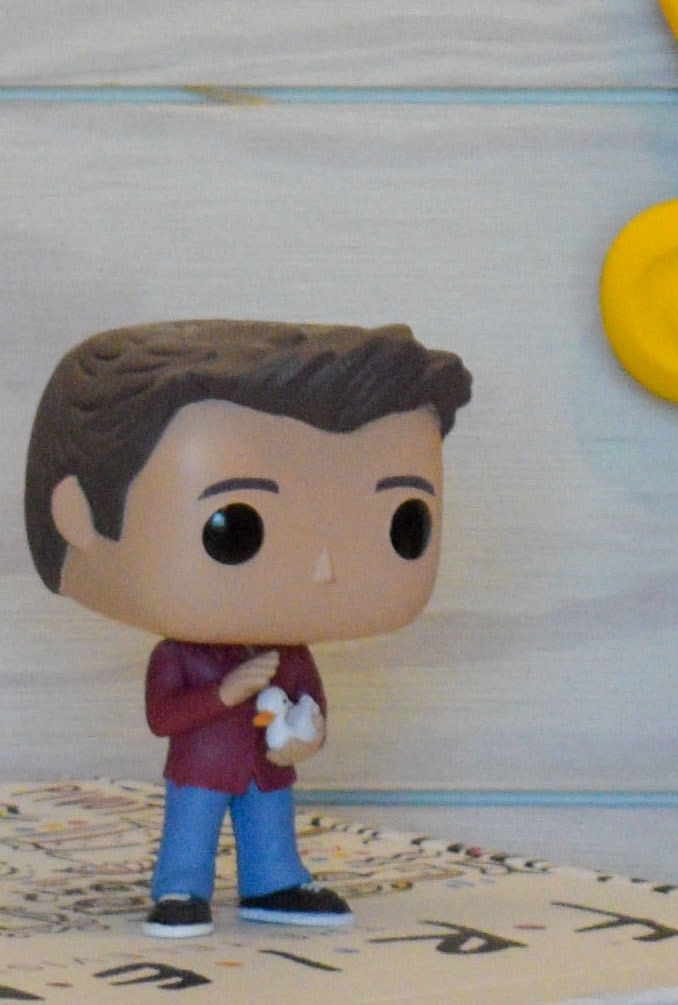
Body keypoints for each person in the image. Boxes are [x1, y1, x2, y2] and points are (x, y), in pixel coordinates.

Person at [24, 319, 472, 935]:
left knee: (271, 830)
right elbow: (164, 717)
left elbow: (312, 702)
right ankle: (180, 889)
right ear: (78, 518)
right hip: (201, 769)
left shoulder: (289, 652)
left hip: (269, 769)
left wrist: (307, 734)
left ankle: (274, 882)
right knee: (192, 829)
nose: (323, 568)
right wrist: (224, 693)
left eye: (404, 522)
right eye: (235, 528)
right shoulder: (180, 656)